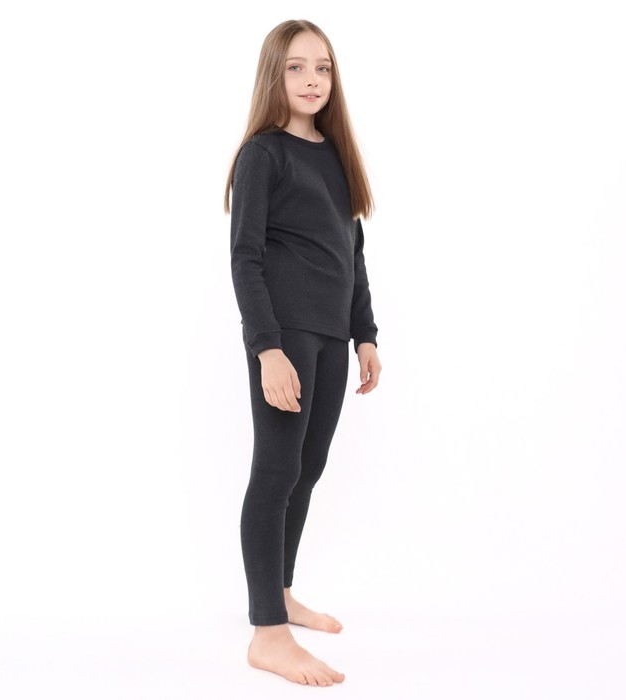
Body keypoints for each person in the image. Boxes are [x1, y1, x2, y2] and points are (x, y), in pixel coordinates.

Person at [224, 19, 382, 687]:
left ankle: (281, 592)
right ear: (274, 74)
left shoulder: (336, 156)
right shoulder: (263, 155)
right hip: (284, 336)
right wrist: (267, 349)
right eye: (296, 67)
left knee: (307, 469)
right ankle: (267, 633)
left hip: (331, 337)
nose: (312, 79)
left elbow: (352, 253)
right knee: (276, 471)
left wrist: (365, 333)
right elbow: (245, 258)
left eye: (322, 67)